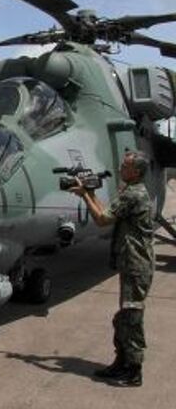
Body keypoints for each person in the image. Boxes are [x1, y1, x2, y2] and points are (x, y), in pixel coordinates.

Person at [70, 151, 155, 387]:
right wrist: (92, 194)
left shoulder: (133, 194)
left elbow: (102, 220)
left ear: (136, 172)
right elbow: (109, 213)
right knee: (123, 318)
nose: (120, 168)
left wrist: (85, 195)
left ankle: (133, 370)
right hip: (131, 262)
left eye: (125, 166)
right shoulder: (130, 192)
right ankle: (122, 362)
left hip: (137, 264)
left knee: (131, 317)